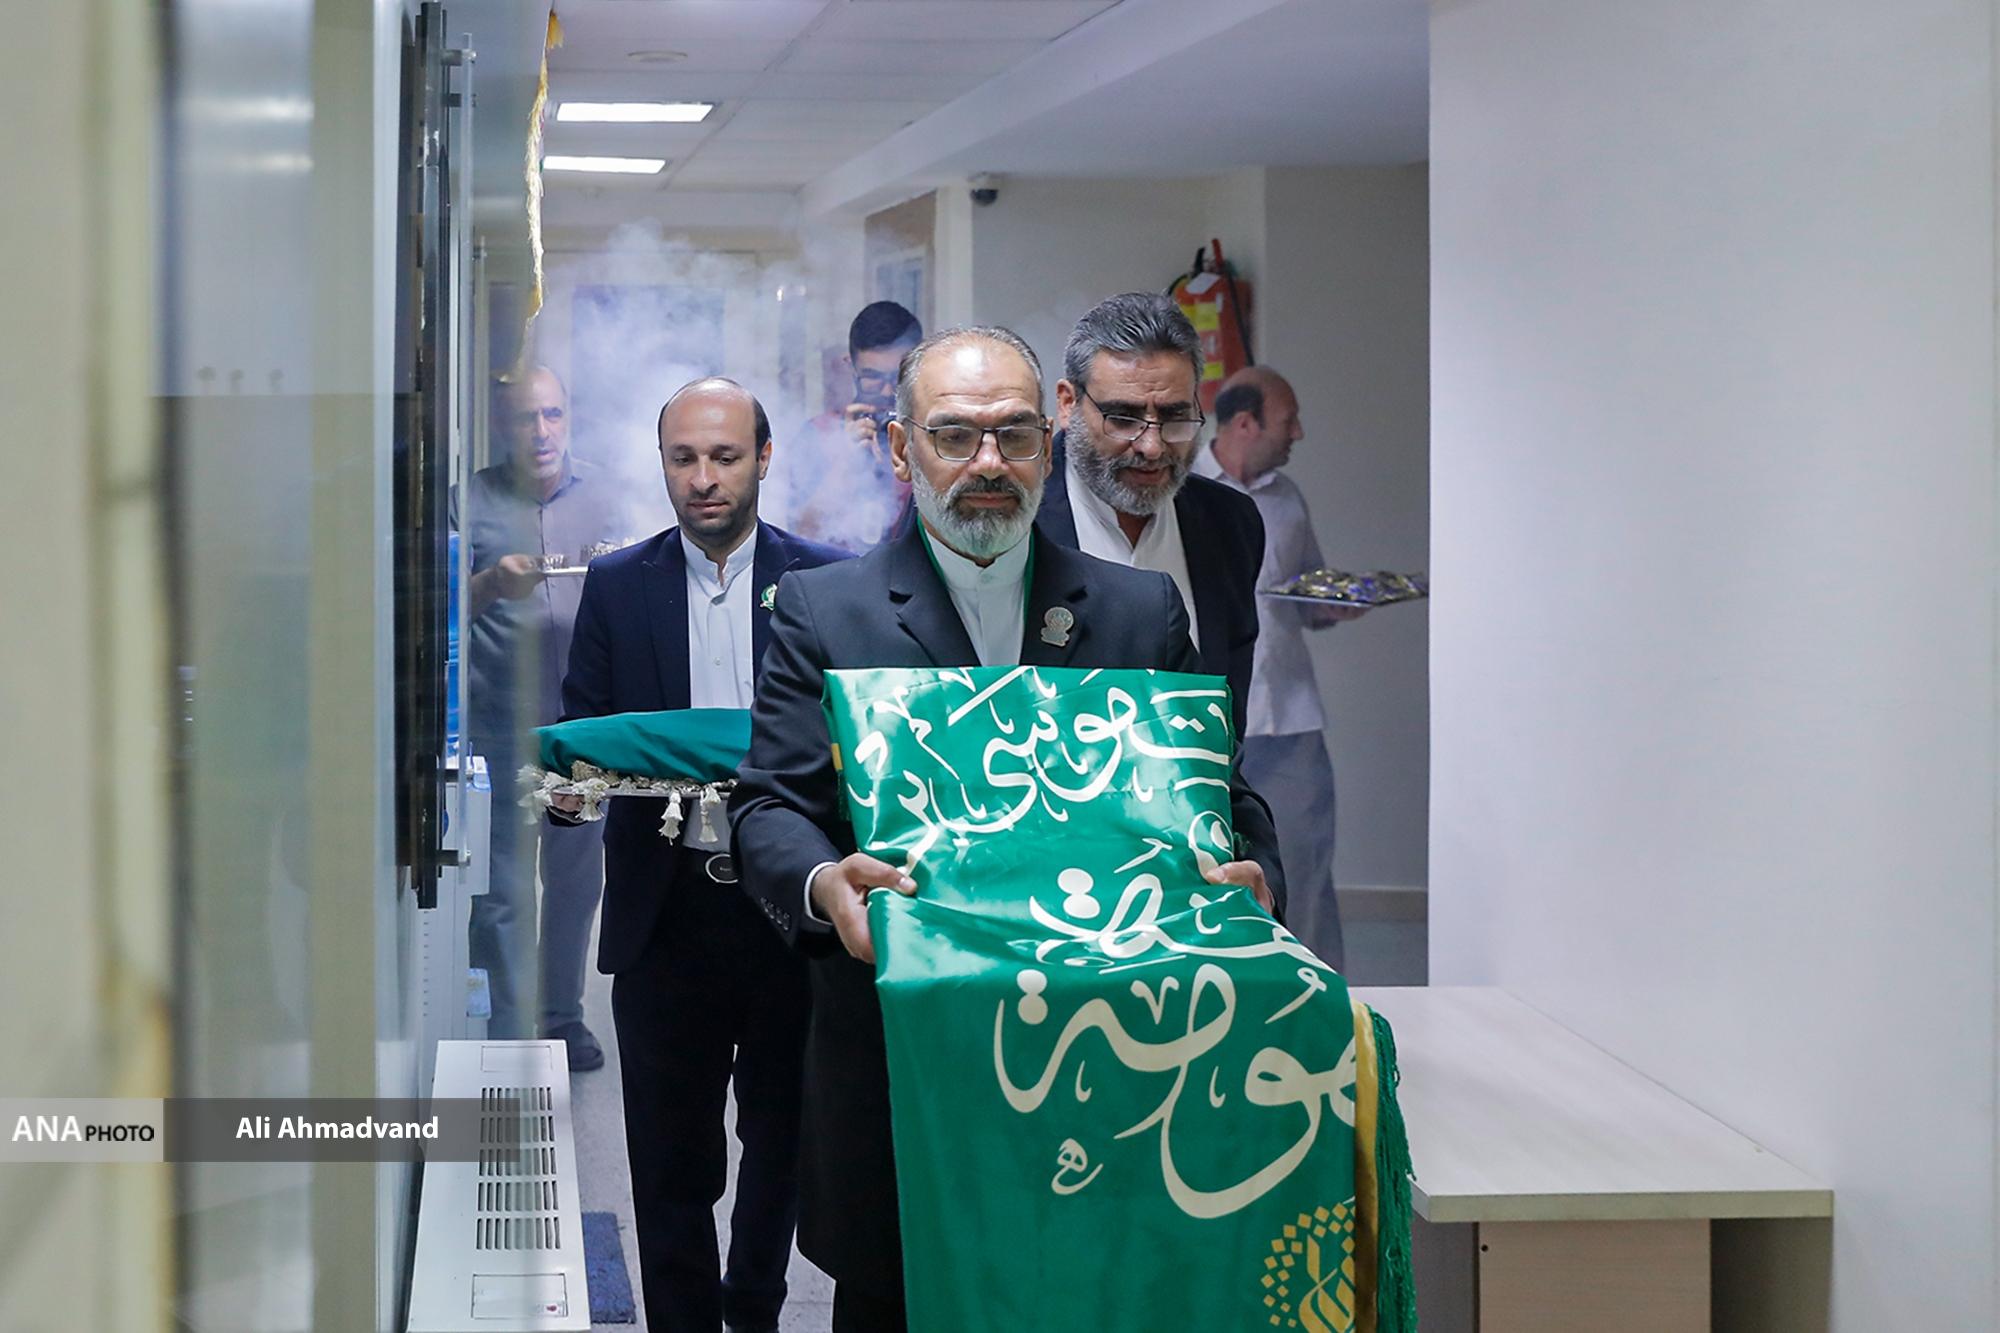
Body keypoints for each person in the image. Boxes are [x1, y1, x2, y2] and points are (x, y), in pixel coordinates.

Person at [729, 326, 1285, 1333]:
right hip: (907, 1073)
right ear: (901, 450)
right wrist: (824, 883)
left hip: (1114, 1081)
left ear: (1048, 440)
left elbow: (1223, 794)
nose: (988, 463)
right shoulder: (826, 611)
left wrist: (1248, 873)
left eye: (1013, 435)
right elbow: (769, 806)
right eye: (955, 435)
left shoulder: (1138, 612)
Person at [557, 378, 848, 1333]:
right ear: (663, 465)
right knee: (667, 1155)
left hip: (789, 911)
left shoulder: (824, 584)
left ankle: (753, 1305)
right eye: (684, 458)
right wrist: (566, 794)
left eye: (724, 456)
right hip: (666, 911)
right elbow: (583, 731)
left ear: (763, 458)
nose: (704, 478)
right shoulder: (618, 585)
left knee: (783, 1140)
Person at [460, 365, 619, 1063]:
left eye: (552, 414)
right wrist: (493, 583)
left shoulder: (605, 497)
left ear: (568, 416)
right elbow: (438, 609)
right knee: (501, 887)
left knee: (575, 880)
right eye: (526, 418)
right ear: (503, 426)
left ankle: (560, 1017)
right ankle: (504, 1026)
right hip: (500, 724)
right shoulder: (472, 501)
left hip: (582, 730)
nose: (542, 431)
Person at [1035, 292, 1266, 741]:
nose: (1153, 447)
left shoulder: (1230, 524)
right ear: (1067, 404)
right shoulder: (1014, 521)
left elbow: (1226, 717)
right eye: (1123, 419)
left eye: (1175, 417)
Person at [1194, 367, 1364, 968]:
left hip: (1290, 720)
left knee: (1307, 868)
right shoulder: (1184, 490)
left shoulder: (1287, 498)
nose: (1298, 433)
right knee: (1205, 871)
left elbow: (1306, 598)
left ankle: (1322, 991)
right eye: (1288, 420)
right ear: (1246, 423)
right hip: (1210, 717)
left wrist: (1336, 604)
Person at [790, 300, 923, 552]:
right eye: (873, 378)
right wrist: (844, 462)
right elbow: (799, 537)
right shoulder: (818, 434)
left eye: (898, 377)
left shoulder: (932, 435)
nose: (887, 390)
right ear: (851, 368)